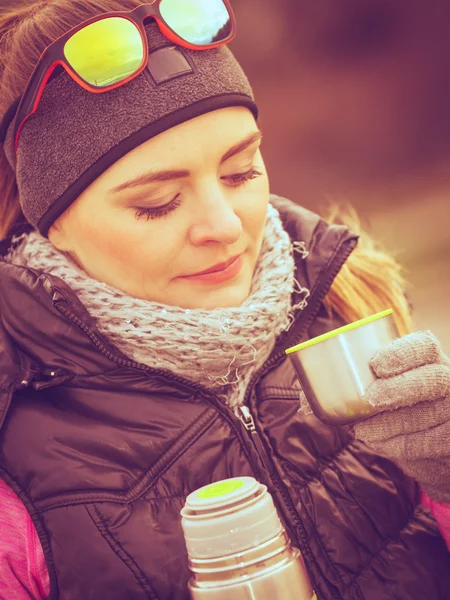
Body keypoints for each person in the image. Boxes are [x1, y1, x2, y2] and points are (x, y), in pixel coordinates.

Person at [0, 1, 449, 599]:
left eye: (240, 171)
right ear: (51, 223)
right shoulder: (13, 456)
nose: (226, 226)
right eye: (157, 203)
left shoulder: (349, 298)